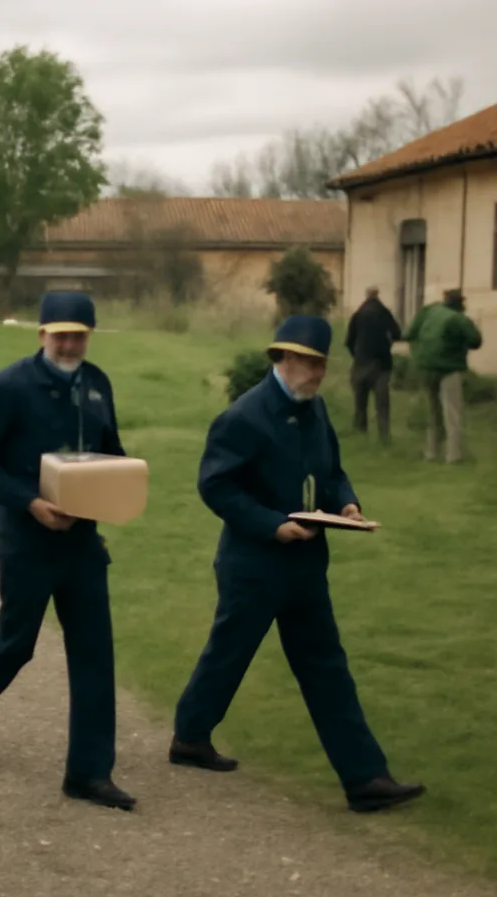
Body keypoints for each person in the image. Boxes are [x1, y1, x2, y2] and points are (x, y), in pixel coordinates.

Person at [169, 314, 425, 813]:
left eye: (322, 364)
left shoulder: (315, 410)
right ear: (282, 359)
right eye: (307, 363)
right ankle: (190, 736)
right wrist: (271, 524)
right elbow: (216, 485)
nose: (316, 374)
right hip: (253, 565)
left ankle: (366, 779)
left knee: (327, 667)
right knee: (229, 654)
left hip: (306, 565)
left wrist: (346, 502)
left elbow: (331, 470)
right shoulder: (244, 417)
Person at [0, 291, 135, 811]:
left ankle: (89, 773)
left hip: (83, 542)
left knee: (94, 651)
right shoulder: (9, 387)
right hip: (26, 540)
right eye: (60, 334)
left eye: (79, 335)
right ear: (41, 334)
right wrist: (29, 502)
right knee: (18, 642)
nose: (70, 344)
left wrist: (118, 486)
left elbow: (109, 452)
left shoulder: (97, 385)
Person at [405, 287, 482, 463]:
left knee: (433, 411)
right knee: (452, 412)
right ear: (460, 304)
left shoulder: (428, 311)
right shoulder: (459, 319)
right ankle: (453, 455)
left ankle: (431, 452)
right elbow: (476, 341)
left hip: (425, 367)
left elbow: (409, 334)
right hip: (449, 368)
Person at [344, 286, 403, 441]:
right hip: (381, 363)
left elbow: (349, 341)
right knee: (382, 402)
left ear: (366, 296)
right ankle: (384, 435)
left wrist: (356, 355)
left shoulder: (357, 315)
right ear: (378, 296)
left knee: (360, 402)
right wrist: (387, 343)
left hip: (361, 363)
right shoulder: (384, 313)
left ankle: (360, 433)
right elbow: (397, 334)